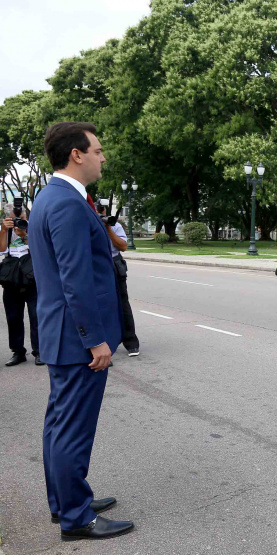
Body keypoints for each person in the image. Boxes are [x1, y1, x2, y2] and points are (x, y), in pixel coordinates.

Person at [31, 122, 133, 540]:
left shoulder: (50, 197)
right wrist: (95, 338)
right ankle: (76, 518)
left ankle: (67, 500)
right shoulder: (68, 204)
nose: (102, 156)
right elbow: (75, 278)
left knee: (60, 424)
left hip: (62, 334)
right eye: (98, 149)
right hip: (78, 339)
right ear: (77, 154)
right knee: (72, 428)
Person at [0, 202, 42, 366]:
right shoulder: (5, 229)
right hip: (12, 279)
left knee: (37, 316)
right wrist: (4, 230)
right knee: (13, 317)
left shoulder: (34, 227)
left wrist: (25, 233)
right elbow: (2, 249)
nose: (18, 221)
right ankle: (18, 352)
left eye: (21, 218)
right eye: (14, 219)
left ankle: (39, 351)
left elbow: (40, 249)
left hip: (32, 278)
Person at [97, 201, 139, 357]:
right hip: (97, 265)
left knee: (123, 303)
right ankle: (104, 345)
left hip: (114, 263)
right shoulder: (87, 225)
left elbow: (123, 246)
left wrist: (108, 229)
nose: (101, 214)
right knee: (100, 305)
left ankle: (131, 342)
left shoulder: (114, 225)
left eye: (102, 211)